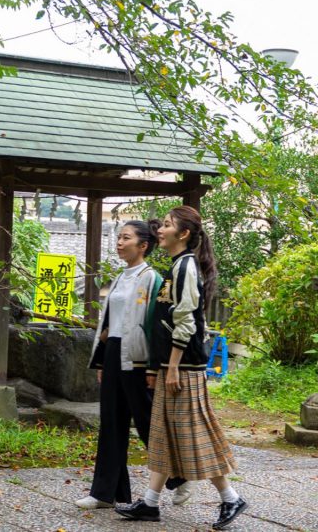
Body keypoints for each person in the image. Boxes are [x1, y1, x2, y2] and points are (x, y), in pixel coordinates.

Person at [115, 206, 248, 530]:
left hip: (183, 367)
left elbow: (187, 320)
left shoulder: (186, 266)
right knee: (162, 434)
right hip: (170, 366)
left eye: (169, 225)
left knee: (193, 435)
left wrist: (172, 367)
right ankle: (149, 502)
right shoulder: (177, 266)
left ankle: (230, 498)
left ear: (183, 234)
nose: (160, 229)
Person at [76, 220, 192, 509]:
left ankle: (179, 476)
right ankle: (107, 493)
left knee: (147, 423)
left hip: (139, 359)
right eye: (118, 237)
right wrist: (102, 359)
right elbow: (109, 323)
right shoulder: (121, 277)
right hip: (115, 352)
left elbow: (156, 324)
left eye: (125, 238)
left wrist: (154, 367)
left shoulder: (151, 278)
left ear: (143, 245)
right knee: (111, 423)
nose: (119, 242)